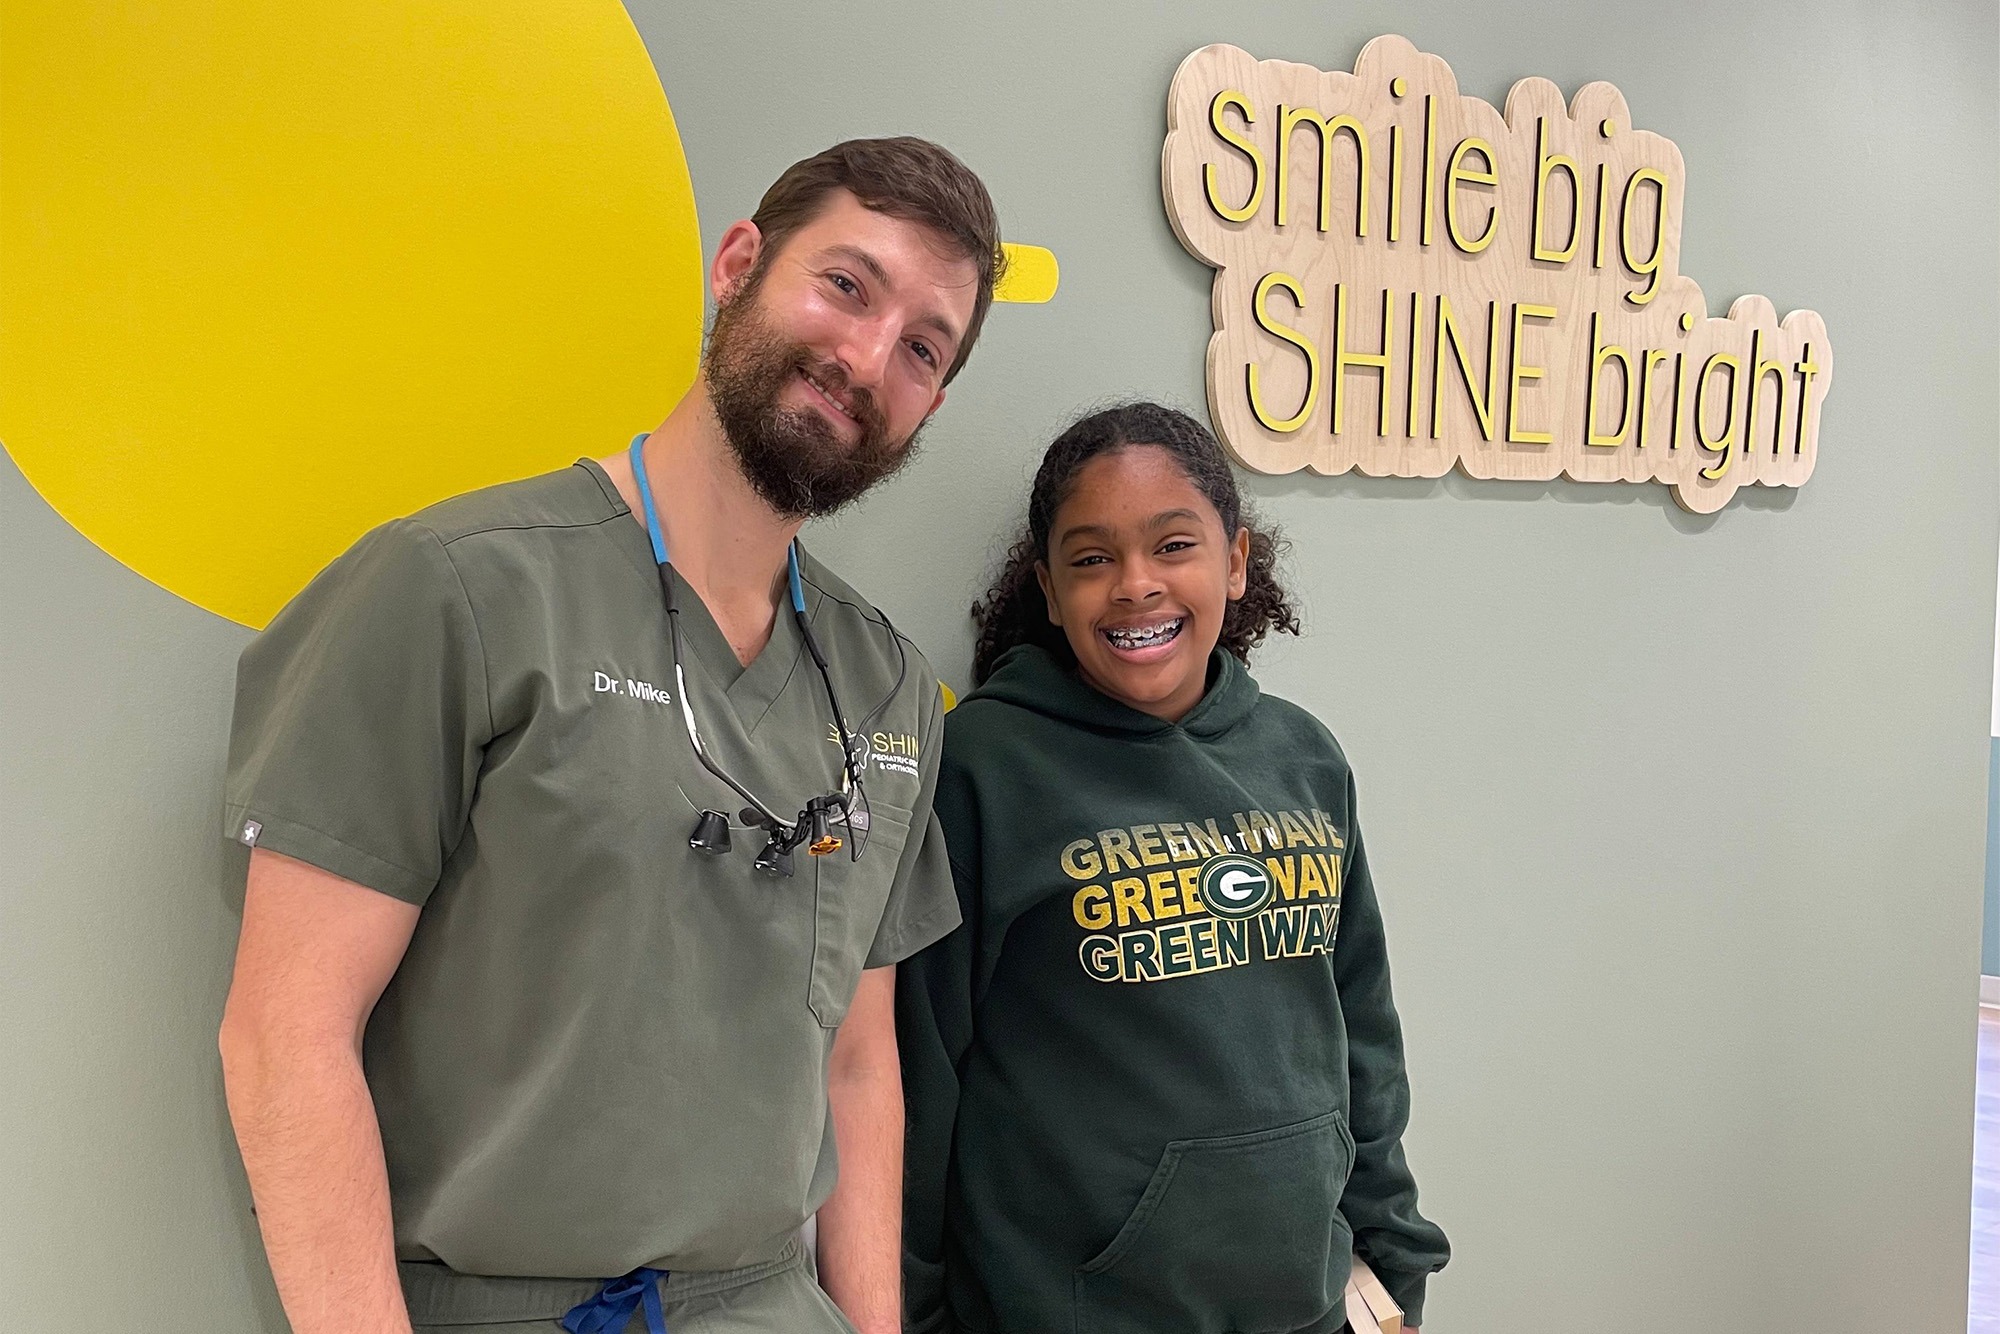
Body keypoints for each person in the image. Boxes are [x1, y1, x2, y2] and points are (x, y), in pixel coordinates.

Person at [217, 137, 1003, 1334]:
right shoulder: (458, 595)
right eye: (845, 284)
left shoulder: (884, 687)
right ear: (736, 262)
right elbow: (285, 1032)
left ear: (930, 404)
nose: (863, 357)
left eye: (919, 347)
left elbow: (857, 1064)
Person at [898, 402, 1450, 1333]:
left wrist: (1392, 1251)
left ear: (1235, 561)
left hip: (1309, 1306)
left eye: (1174, 546)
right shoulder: (980, 770)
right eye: (1091, 558)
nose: (1135, 585)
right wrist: (912, 1313)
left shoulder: (1304, 758)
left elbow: (1361, 1026)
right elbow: (916, 1076)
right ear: (1048, 586)